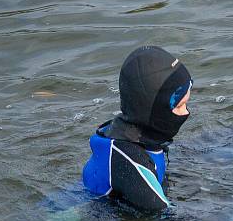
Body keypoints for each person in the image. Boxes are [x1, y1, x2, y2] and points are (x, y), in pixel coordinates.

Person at [82, 45, 192, 210]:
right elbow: (164, 212)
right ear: (153, 110)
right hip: (86, 212)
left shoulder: (140, 133)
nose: (186, 112)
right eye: (180, 106)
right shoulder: (128, 158)